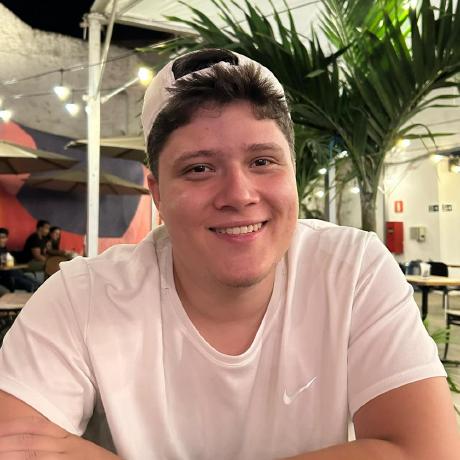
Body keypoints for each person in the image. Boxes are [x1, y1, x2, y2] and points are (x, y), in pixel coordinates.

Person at [0, 49, 458, 460]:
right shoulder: (82, 296)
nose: (238, 195)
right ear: (157, 194)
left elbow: (427, 450)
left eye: (262, 161)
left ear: (292, 174)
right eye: (199, 168)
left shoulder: (351, 269)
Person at [0, 227, 40, 293]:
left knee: (37, 284)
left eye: (3, 237)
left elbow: (6, 263)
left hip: (12, 273)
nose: (1, 240)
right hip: (5, 277)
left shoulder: (4, 249)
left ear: (7, 238)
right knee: (31, 285)